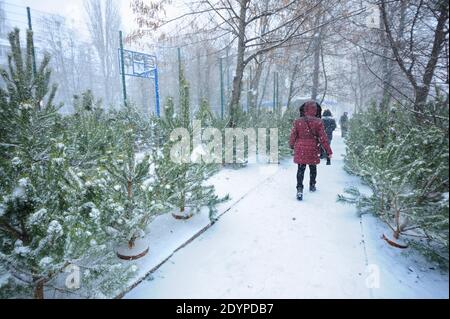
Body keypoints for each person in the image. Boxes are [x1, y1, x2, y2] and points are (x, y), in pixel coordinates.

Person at [289, 101, 333, 201]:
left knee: (301, 169)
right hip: (313, 148)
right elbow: (323, 138)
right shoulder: (318, 122)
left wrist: (291, 145)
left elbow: (293, 135)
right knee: (313, 168)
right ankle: (312, 185)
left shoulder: (297, 121)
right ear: (316, 110)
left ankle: (299, 188)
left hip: (300, 149)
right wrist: (328, 151)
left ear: (304, 109)